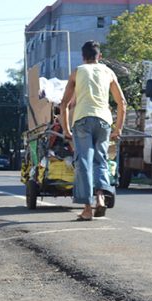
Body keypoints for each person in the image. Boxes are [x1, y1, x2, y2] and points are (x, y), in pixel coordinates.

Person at [60, 40, 126, 221]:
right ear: (100, 57)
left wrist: (66, 129)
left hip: (82, 120)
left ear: (83, 57)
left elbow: (64, 103)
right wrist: (118, 128)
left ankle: (87, 208)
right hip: (104, 121)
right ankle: (101, 197)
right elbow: (122, 103)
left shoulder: (78, 71)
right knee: (100, 159)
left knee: (84, 162)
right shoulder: (108, 72)